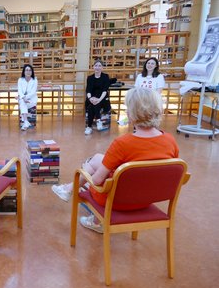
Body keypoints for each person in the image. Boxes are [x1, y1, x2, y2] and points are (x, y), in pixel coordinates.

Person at [52, 87, 179, 233]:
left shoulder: (123, 143)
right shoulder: (170, 141)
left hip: (116, 201)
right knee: (99, 160)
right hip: (146, 200)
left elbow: (97, 181)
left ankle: (75, 195)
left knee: (91, 167)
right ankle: (75, 197)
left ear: (132, 114)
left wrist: (86, 171)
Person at [85, 59, 111, 135]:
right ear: (93, 67)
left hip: (103, 99)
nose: (97, 67)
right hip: (92, 98)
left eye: (99, 66)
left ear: (102, 68)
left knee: (94, 105)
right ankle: (98, 121)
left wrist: (99, 99)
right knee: (91, 105)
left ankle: (89, 127)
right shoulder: (90, 78)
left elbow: (105, 90)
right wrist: (90, 98)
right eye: (96, 65)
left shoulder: (105, 77)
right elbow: (88, 90)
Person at [17, 64, 38, 131]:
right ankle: (26, 122)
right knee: (22, 102)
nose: (28, 72)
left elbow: (33, 92)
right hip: (23, 99)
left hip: (31, 100)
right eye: (26, 70)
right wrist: (23, 98)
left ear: (32, 72)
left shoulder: (35, 80)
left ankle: (25, 122)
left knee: (22, 103)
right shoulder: (20, 80)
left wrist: (25, 97)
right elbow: (19, 91)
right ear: (24, 71)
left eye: (30, 70)